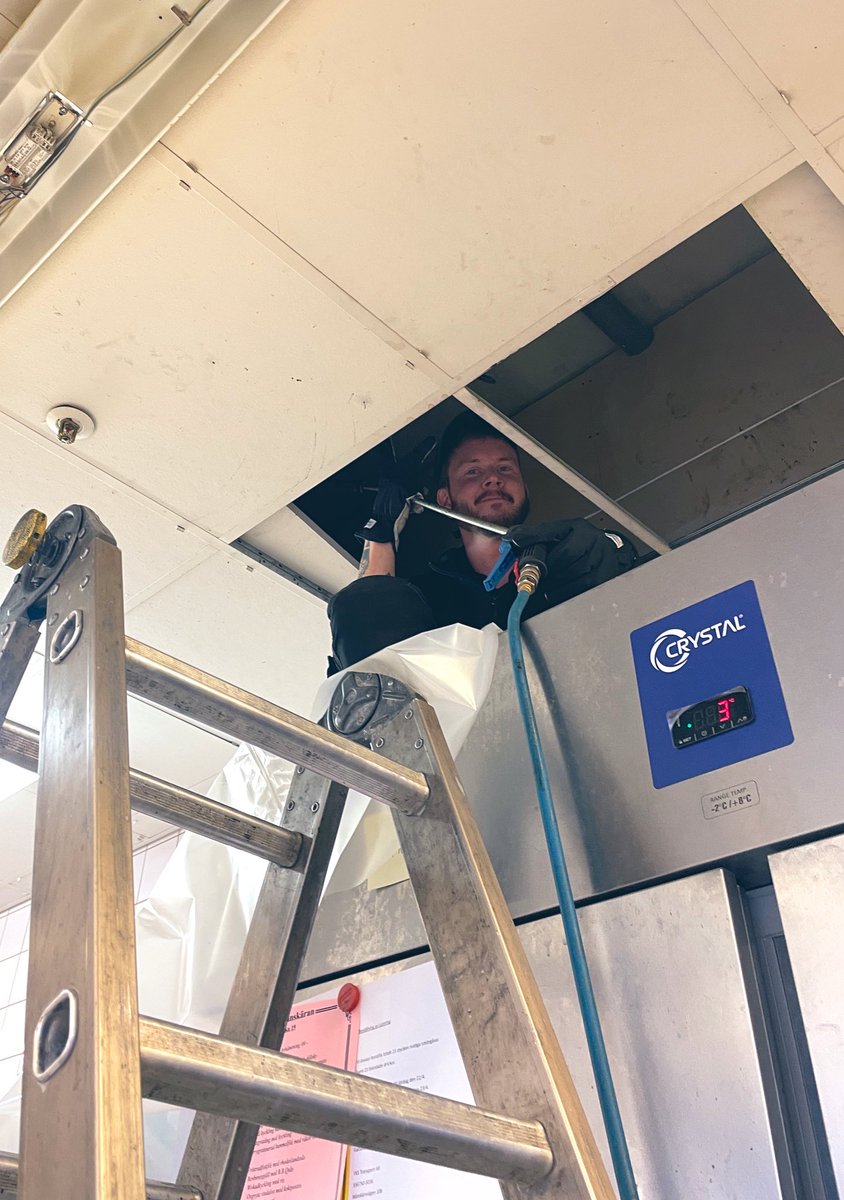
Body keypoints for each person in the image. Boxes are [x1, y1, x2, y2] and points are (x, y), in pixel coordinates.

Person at [328, 412, 637, 670]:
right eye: (473, 471)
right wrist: (382, 531)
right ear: (444, 499)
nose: (493, 478)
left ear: (525, 488)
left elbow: (616, 563)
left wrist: (606, 546)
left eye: (504, 468)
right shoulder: (429, 596)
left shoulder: (564, 558)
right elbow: (369, 651)